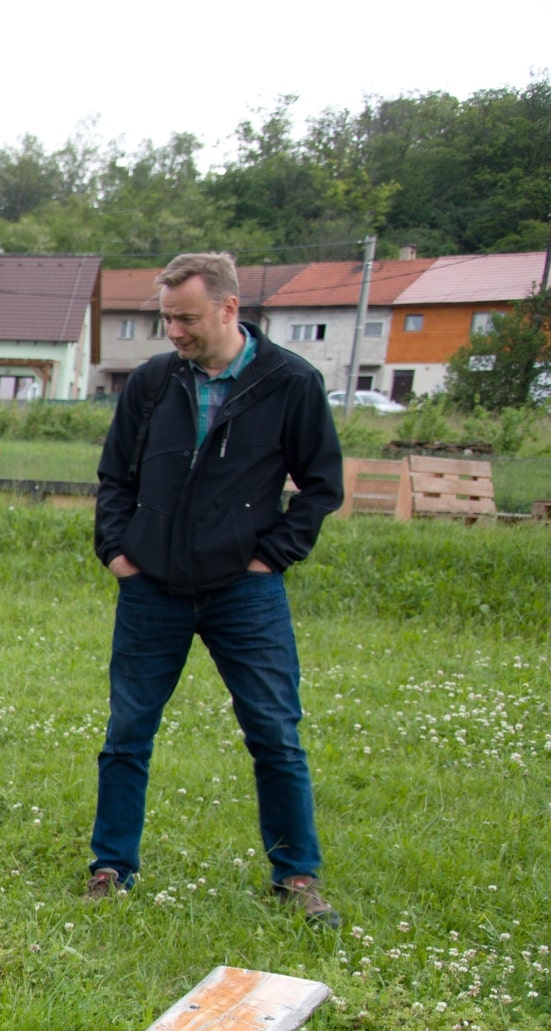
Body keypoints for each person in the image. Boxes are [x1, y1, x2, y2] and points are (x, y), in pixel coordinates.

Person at [87, 253, 344, 925]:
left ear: (229, 309)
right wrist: (117, 552)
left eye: (186, 318)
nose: (174, 330)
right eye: (166, 318)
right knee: (127, 732)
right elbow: (115, 478)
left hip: (244, 591)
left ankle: (296, 876)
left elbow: (322, 487)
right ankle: (111, 867)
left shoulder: (292, 382)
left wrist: (271, 557)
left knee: (275, 733)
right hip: (151, 586)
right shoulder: (152, 382)